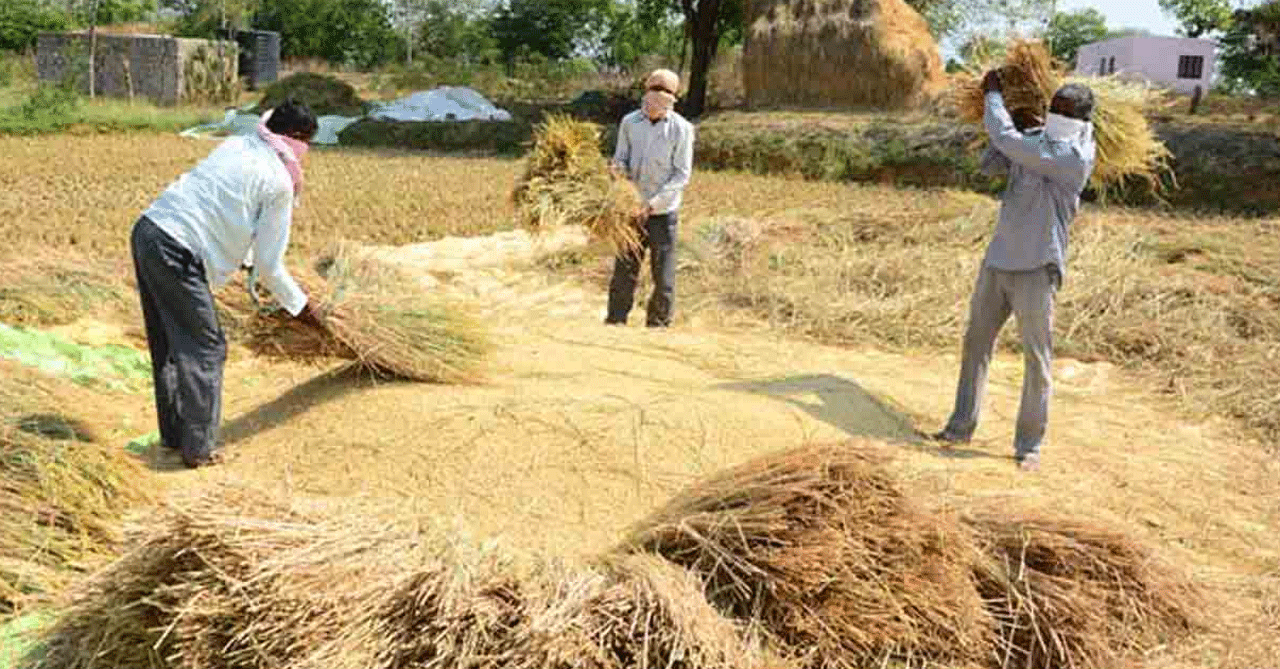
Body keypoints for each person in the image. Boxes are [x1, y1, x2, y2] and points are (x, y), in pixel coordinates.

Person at [130, 97, 325, 468]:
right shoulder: (280, 182)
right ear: (299, 138)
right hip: (177, 250)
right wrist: (304, 309)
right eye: (308, 143)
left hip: (148, 231)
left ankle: (176, 436)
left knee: (170, 342)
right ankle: (199, 450)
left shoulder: (239, 143)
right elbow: (271, 267)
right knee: (207, 347)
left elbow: (225, 209)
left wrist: (243, 261)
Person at [930, 71, 1097, 472]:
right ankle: (959, 426)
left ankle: (1028, 447)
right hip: (998, 260)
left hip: (1037, 267)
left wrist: (993, 99)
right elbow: (994, 162)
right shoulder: (1037, 142)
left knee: (1036, 359)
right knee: (975, 344)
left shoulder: (1074, 157)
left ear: (1083, 119)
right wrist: (1018, 129)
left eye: (1065, 112)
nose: (1056, 115)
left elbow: (1007, 141)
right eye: (1054, 108)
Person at [605, 68, 696, 328]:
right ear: (645, 91)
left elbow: (681, 175)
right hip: (630, 208)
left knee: (663, 273)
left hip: (662, 212)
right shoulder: (629, 123)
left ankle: (658, 324)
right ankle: (615, 320)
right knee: (624, 268)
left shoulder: (682, 129)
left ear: (673, 97)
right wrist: (617, 172)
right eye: (652, 88)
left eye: (664, 90)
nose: (656, 94)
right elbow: (620, 157)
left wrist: (652, 204)